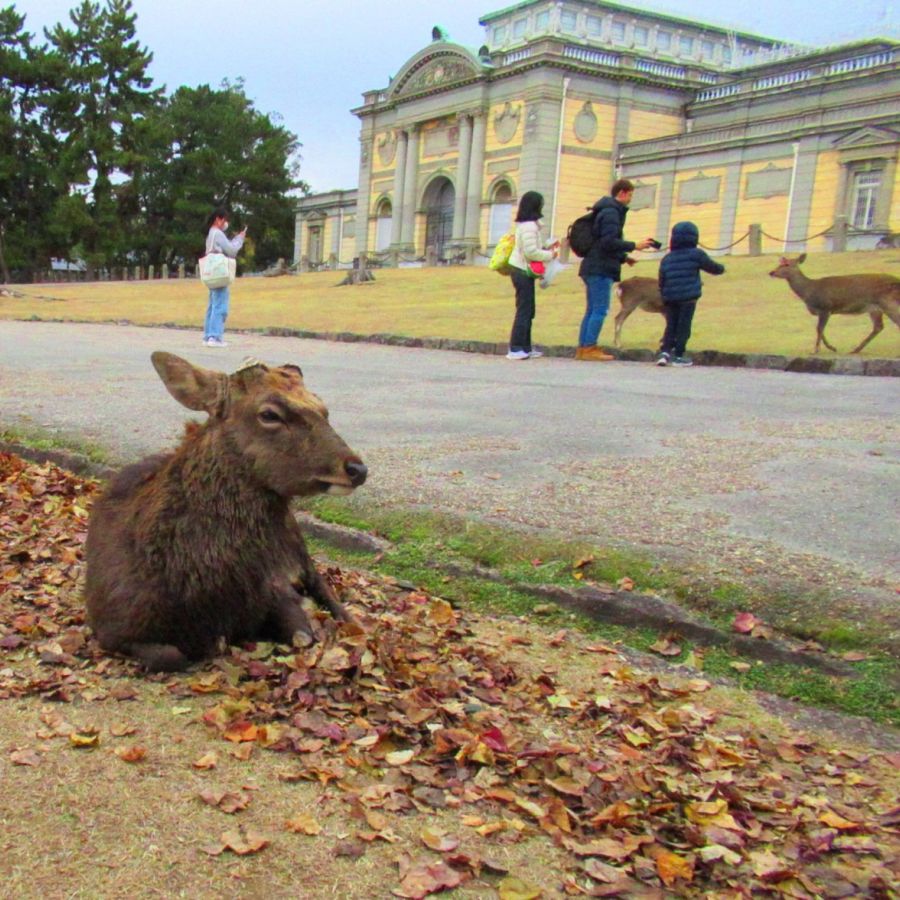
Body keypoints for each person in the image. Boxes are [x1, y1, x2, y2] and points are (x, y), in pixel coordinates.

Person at [576, 179, 657, 361]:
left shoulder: (605, 210)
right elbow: (608, 242)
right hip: (599, 268)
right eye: (630, 195)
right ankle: (589, 348)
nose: (630, 199)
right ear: (622, 193)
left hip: (593, 265)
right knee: (600, 309)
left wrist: (623, 258)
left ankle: (583, 347)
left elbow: (602, 244)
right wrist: (634, 245)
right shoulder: (612, 213)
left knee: (591, 309)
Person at [656, 221, 725, 367]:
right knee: (683, 326)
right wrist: (722, 269)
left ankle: (665, 352)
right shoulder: (696, 254)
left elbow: (662, 278)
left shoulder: (667, 258)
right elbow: (712, 267)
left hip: (670, 297)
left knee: (671, 325)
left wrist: (664, 294)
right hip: (688, 298)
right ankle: (679, 355)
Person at [506, 191, 559, 360]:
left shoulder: (529, 225)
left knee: (529, 310)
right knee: (524, 309)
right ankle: (515, 348)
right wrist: (550, 255)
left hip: (523, 270)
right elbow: (530, 252)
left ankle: (525, 347)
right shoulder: (529, 226)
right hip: (521, 270)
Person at [202, 207, 247, 348]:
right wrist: (240, 239)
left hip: (211, 272)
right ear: (218, 219)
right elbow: (231, 250)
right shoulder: (218, 233)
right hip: (219, 272)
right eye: (224, 220)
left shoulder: (211, 233)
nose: (226, 223)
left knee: (212, 304)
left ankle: (208, 335)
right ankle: (215, 337)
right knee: (220, 305)